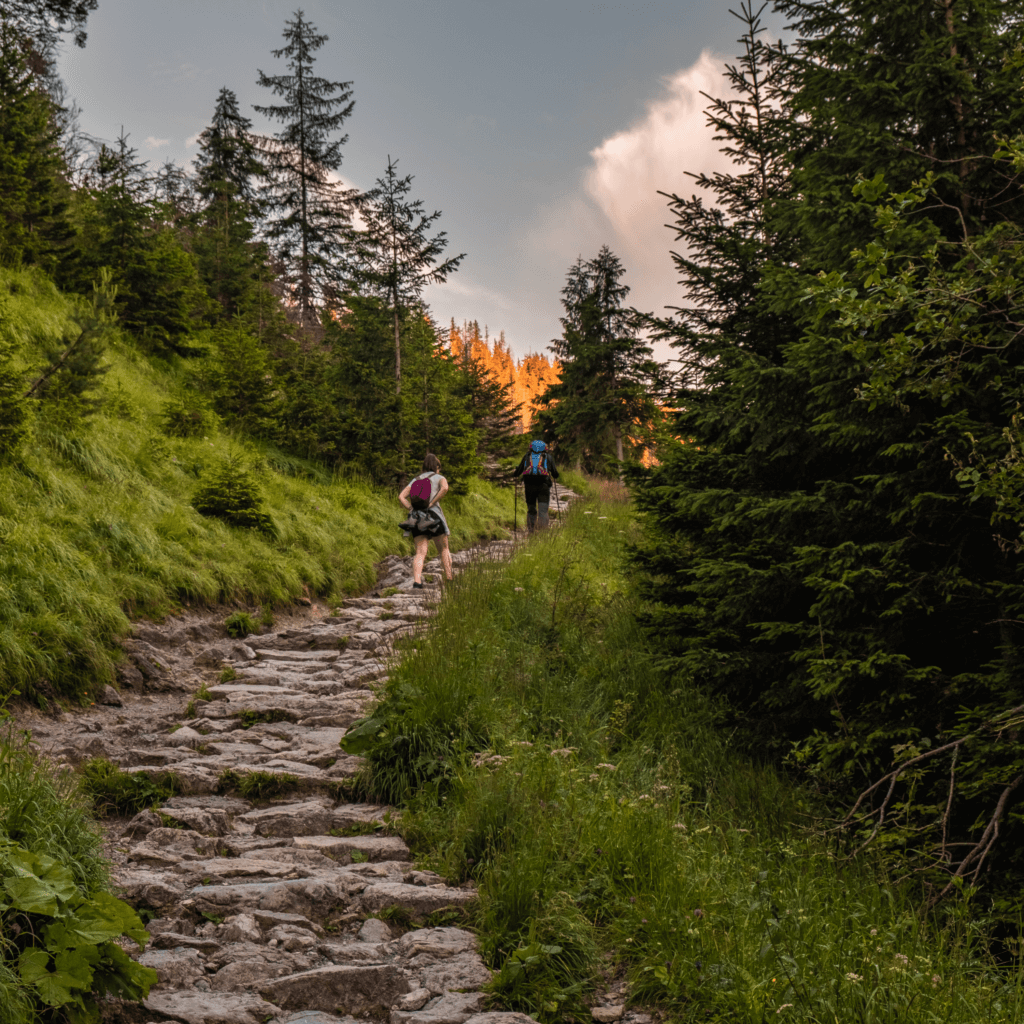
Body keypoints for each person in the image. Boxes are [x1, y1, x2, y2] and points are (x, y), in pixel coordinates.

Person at [399, 453, 455, 589]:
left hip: (417, 518)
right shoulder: (440, 478)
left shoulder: (416, 480)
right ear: (436, 466)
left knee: (420, 552)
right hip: (434, 517)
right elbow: (445, 488)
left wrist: (411, 508)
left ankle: (417, 581)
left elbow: (401, 496)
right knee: (443, 548)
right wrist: (432, 503)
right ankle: (449, 578)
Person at [511, 439, 560, 531]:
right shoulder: (548, 457)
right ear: (545, 448)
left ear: (531, 448)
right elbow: (555, 474)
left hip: (529, 487)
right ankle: (542, 533)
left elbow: (518, 472)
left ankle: (531, 531)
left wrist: (516, 473)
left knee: (531, 509)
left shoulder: (527, 456)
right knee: (543, 511)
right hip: (543, 487)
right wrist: (554, 475)